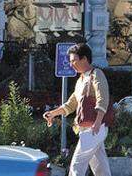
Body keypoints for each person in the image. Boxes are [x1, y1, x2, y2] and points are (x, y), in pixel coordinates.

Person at [43, 43, 111, 176]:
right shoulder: (81, 80)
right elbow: (70, 105)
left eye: (74, 60)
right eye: (70, 61)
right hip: (88, 128)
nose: (71, 64)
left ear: (84, 59)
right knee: (101, 168)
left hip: (94, 128)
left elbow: (103, 98)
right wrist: (53, 114)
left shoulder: (96, 74)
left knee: (76, 166)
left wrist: (97, 122)